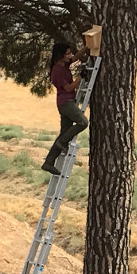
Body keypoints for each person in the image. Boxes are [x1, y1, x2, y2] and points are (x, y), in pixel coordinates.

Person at [41, 42, 90, 175]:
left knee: (64, 133)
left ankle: (49, 162)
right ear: (60, 55)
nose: (70, 56)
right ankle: (62, 143)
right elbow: (68, 88)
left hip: (67, 102)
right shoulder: (57, 70)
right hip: (65, 103)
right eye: (67, 53)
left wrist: (87, 47)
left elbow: (76, 57)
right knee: (83, 123)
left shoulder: (65, 64)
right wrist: (81, 77)